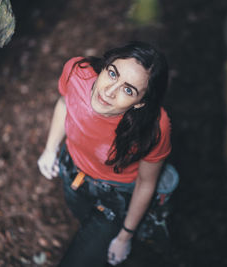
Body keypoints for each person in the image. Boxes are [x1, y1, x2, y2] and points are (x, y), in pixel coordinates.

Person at [37, 41, 171, 266]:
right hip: (72, 174)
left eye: (128, 90)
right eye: (112, 73)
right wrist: (50, 150)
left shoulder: (156, 126)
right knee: (84, 223)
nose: (109, 92)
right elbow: (64, 103)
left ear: (140, 103)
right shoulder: (77, 71)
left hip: (116, 198)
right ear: (106, 65)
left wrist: (124, 236)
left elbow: (146, 182)